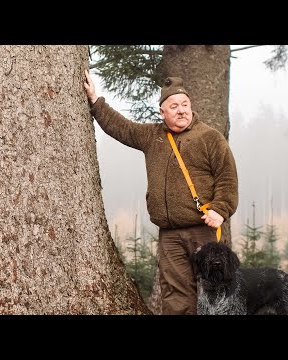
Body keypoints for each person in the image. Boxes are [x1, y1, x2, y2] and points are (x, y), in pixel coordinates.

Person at [83, 69, 239, 315]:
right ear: (162, 112)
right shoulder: (152, 136)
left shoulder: (210, 138)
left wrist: (220, 209)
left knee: (215, 294)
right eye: (174, 106)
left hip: (204, 231)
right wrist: (95, 100)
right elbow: (120, 128)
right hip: (170, 236)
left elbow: (227, 179)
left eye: (185, 104)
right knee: (176, 296)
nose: (181, 110)